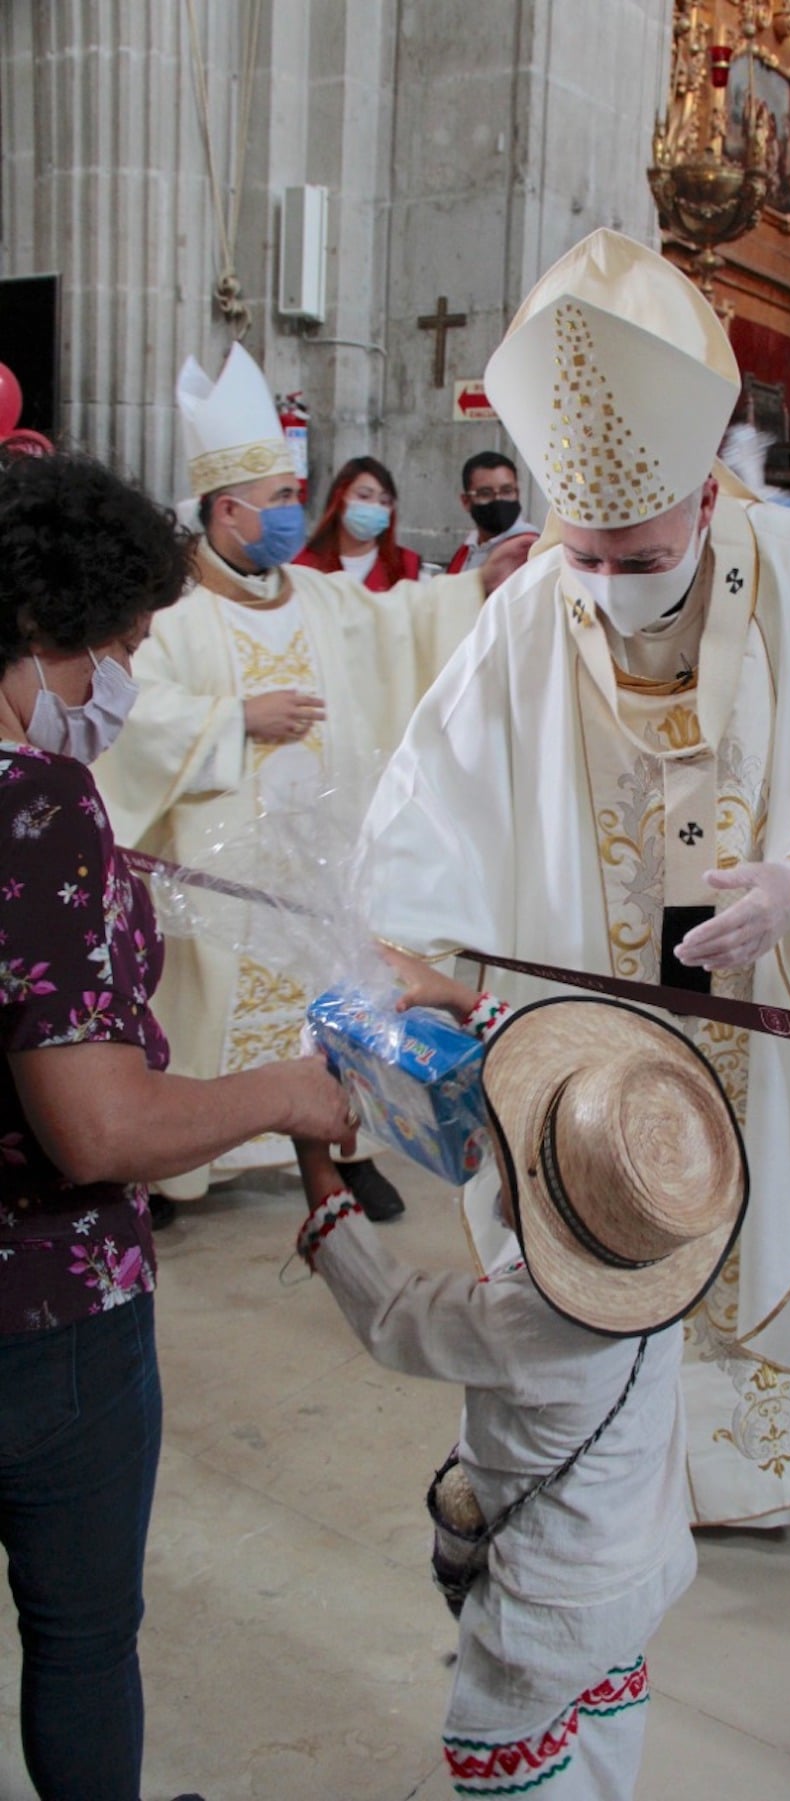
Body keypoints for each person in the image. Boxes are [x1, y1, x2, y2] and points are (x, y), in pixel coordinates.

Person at [359, 229, 790, 1550]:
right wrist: (415, 952)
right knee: (588, 1206)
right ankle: (595, 1452)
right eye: (583, 556)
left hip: (770, 982)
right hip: (600, 993)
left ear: (705, 495)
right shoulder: (533, 607)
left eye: (637, 560)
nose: (606, 589)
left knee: (784, 1189)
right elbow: (434, 785)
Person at [0, 449, 354, 1801]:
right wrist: (287, 1090)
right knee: (84, 1632)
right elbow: (95, 1125)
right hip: (43, 1307)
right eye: (117, 656)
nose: (120, 697)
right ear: (43, 634)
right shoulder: (37, 801)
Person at [294, 951, 748, 1799]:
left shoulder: (524, 1322)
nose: (505, 1162)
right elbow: (563, 1115)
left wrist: (316, 1162)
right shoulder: (654, 1252)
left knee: (510, 1753)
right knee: (604, 1716)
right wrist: (463, 998)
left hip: (552, 1601)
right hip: (641, 1561)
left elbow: (395, 1315)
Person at [94, 344, 528, 1221]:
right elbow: (125, 708)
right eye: (284, 499)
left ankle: (339, 1142)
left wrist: (477, 586)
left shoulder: (319, 595)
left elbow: (400, 628)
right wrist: (232, 720)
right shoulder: (170, 610)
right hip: (220, 875)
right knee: (212, 998)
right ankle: (185, 1159)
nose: (298, 512)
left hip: (316, 863)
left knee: (333, 989)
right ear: (227, 510)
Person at [294, 454, 423, 587]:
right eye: (364, 496)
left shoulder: (407, 566)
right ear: (339, 497)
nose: (375, 506)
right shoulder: (304, 566)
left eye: (384, 501)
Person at [447, 450, 538, 573]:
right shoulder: (466, 551)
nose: (498, 499)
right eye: (485, 493)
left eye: (507, 491)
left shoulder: (530, 550)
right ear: (466, 501)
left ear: (518, 493)